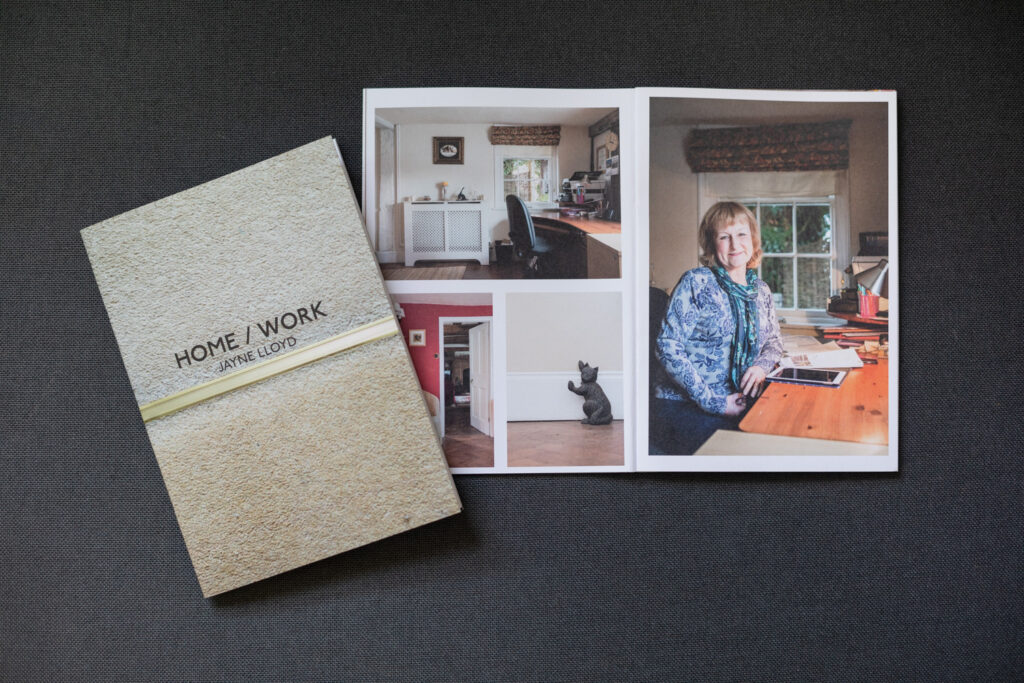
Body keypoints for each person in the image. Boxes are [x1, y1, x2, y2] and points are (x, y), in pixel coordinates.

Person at [651, 202, 783, 455]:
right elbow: (667, 347)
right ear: (712, 245)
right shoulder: (696, 282)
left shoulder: (761, 290)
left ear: (754, 240)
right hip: (684, 406)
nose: (735, 245)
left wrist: (760, 366)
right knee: (742, 454)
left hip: (741, 401)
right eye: (724, 237)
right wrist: (714, 402)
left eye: (742, 234)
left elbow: (774, 342)